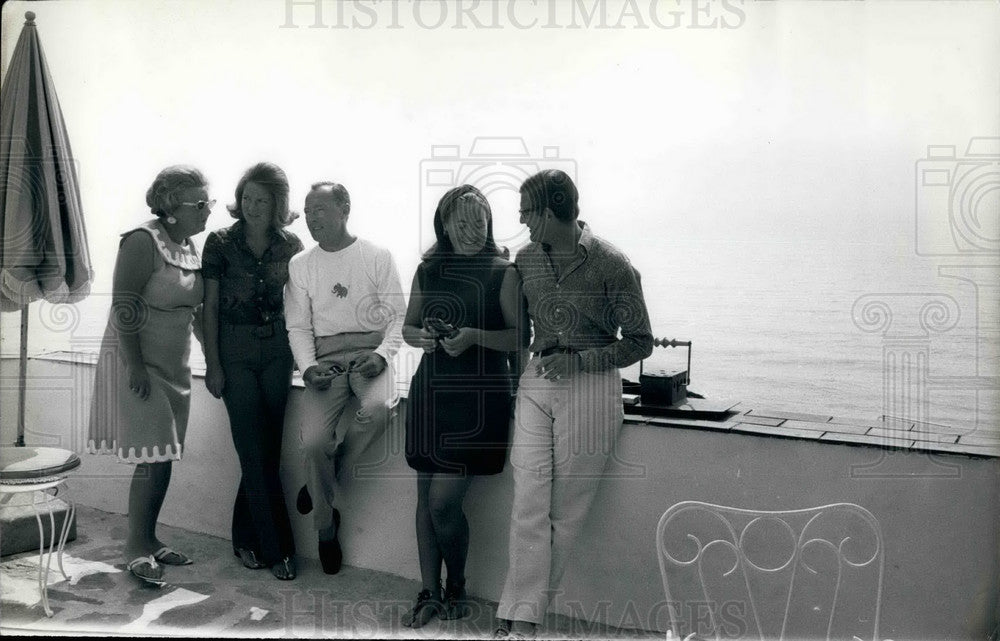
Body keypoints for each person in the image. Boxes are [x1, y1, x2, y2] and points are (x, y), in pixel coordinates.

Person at [493, 170, 654, 638]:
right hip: (535, 382)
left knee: (564, 513)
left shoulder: (612, 263)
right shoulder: (524, 260)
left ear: (548, 213)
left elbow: (640, 341)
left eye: (526, 211)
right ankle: (521, 618)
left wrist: (582, 361)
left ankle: (520, 621)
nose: (520, 219)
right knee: (527, 503)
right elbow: (517, 329)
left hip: (591, 388)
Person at [400, 186, 528, 627]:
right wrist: (424, 337)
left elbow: (518, 339)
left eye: (480, 221)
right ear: (444, 225)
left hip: (480, 398)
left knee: (442, 504)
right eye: (462, 221)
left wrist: (473, 335)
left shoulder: (504, 272)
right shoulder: (427, 269)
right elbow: (408, 329)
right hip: (430, 392)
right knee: (424, 499)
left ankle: (456, 585)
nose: (472, 229)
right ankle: (428, 592)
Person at [88, 165, 212, 585]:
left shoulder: (188, 246)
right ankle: (134, 548)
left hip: (176, 366)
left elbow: (193, 311)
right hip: (137, 362)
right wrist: (136, 366)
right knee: (151, 457)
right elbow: (123, 305)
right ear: (172, 206)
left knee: (163, 457)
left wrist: (213, 358)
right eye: (200, 203)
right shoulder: (142, 241)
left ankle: (150, 537)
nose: (207, 210)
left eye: (207, 202)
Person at [284, 181, 405, 575]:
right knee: (315, 441)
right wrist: (308, 368)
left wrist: (381, 355)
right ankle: (325, 530)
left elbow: (398, 319)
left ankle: (325, 478)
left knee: (379, 406)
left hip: (369, 356)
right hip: (326, 358)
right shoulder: (300, 265)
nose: (311, 217)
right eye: (306, 210)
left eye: (319, 208)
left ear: (344, 208)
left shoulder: (376, 256)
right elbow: (298, 326)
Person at [201, 162, 303, 581]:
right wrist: (213, 364)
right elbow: (207, 306)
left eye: (262, 199)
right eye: (247, 197)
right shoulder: (219, 243)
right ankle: (278, 549)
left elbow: (302, 305)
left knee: (267, 451)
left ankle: (244, 538)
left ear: (277, 203)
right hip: (235, 349)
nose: (253, 205)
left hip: (279, 350)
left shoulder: (291, 245)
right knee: (252, 449)